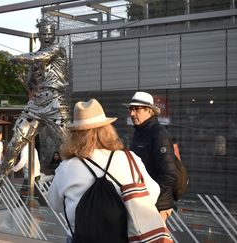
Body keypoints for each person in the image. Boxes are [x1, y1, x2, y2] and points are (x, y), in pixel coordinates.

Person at [0, 16, 69, 207]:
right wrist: (19, 74)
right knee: (13, 146)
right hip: (36, 104)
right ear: (39, 35)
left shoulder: (57, 49)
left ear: (54, 35)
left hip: (54, 102)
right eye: (43, 33)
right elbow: (30, 83)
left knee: (71, 147)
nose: (47, 36)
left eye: (49, 33)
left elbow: (39, 57)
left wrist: (17, 58)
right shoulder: (35, 58)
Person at [47, 99, 160, 242]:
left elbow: (55, 204)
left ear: (74, 135)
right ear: (107, 129)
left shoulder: (66, 167)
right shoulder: (129, 158)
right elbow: (153, 194)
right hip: (123, 237)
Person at [124, 91, 177, 221]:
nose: (132, 113)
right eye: (131, 109)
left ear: (149, 111)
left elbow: (169, 174)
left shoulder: (159, 135)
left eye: (137, 109)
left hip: (157, 205)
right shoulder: (140, 132)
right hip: (144, 203)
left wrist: (149, 196)